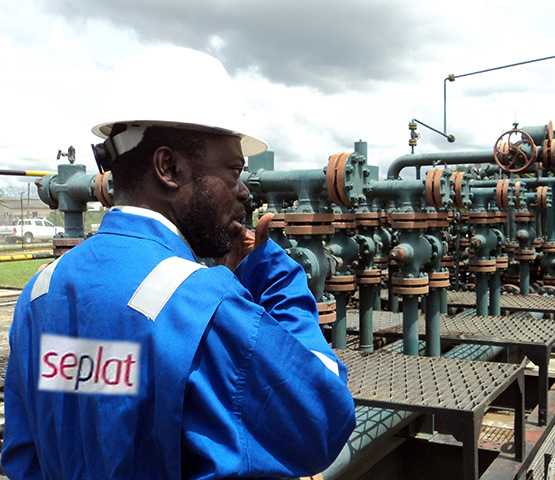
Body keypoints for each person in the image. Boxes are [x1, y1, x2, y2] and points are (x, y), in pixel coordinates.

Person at [1, 48, 356, 479]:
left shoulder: (40, 292)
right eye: (233, 170)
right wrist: (274, 274)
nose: (243, 193)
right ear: (168, 167)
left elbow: (24, 459)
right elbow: (323, 423)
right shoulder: (197, 304)